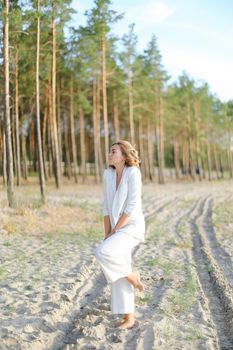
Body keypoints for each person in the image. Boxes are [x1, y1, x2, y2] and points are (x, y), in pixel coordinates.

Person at [95, 140, 145, 329]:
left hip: (131, 227)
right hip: (116, 228)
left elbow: (131, 207)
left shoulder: (133, 173)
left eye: (113, 151)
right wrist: (108, 233)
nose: (109, 154)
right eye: (109, 151)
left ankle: (132, 275)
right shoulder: (108, 174)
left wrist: (116, 230)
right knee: (119, 264)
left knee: (103, 252)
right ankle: (129, 318)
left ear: (124, 156)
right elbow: (106, 207)